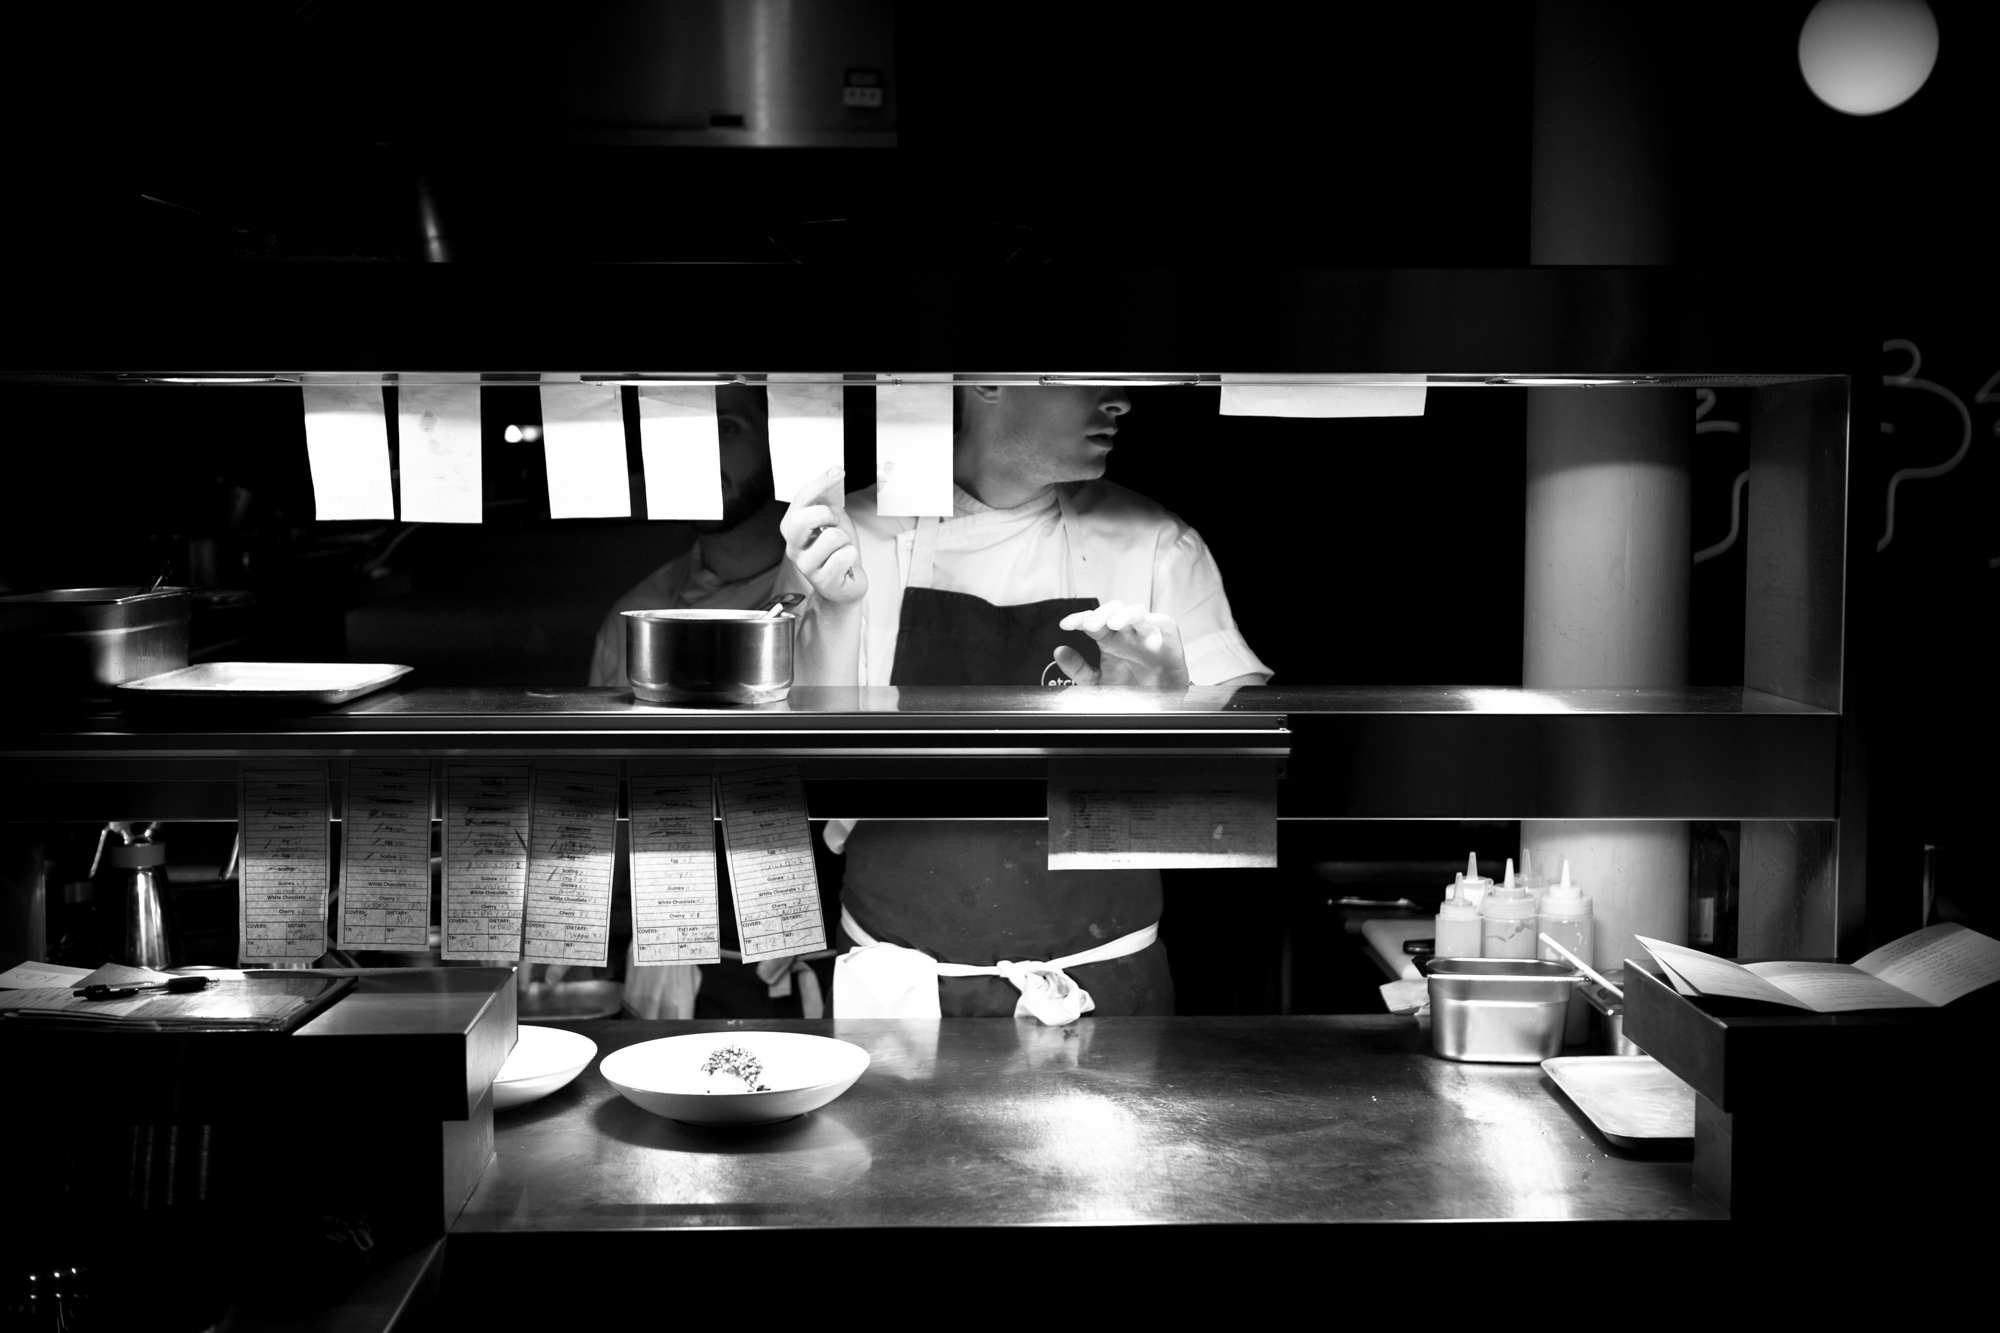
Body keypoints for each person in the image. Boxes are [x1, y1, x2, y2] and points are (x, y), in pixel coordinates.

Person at [780, 383, 1270, 1021]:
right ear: (988, 381)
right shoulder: (844, 542)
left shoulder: (1156, 546)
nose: (1120, 401)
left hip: (1105, 989)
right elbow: (793, 774)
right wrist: (836, 614)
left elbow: (1237, 815)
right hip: (900, 998)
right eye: (1088, 376)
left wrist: (1165, 719)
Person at [588, 383, 825, 1019]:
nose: (693, 452)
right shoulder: (637, 618)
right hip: (682, 936)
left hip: (829, 939)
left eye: (726, 429)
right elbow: (603, 794)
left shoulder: (835, 599)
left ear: (786, 445)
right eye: (677, 432)